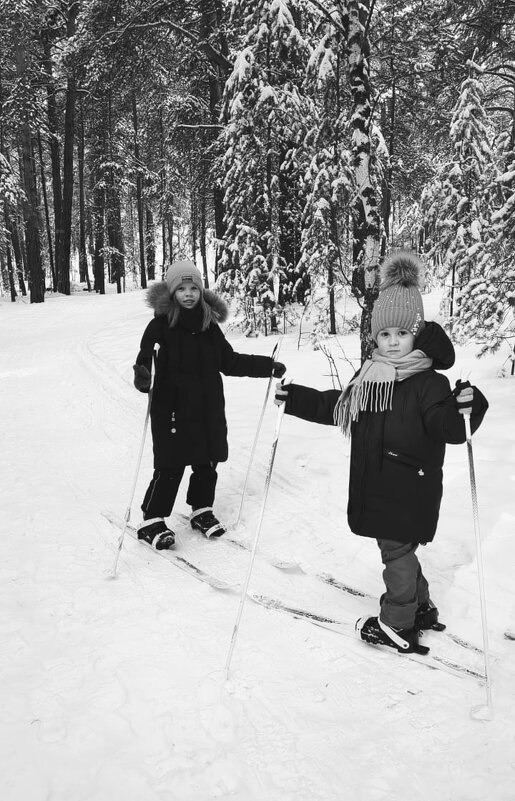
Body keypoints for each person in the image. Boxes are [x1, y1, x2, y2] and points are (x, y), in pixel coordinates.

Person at [275, 252, 488, 655]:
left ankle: (398, 623)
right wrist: (297, 398)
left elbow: (447, 427)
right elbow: (335, 406)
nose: (392, 342)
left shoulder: (429, 383)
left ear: (417, 335)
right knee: (398, 549)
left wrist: (469, 406)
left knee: (396, 553)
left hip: (409, 486)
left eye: (401, 334)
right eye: (384, 334)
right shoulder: (369, 375)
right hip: (377, 482)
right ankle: (420, 607)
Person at [133, 259, 286, 550]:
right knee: (171, 465)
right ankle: (151, 518)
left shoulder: (208, 326)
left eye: (194, 288)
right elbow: (145, 362)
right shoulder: (159, 327)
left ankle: (201, 509)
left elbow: (229, 362)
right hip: (172, 410)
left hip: (207, 407)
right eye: (182, 289)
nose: (188, 294)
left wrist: (267, 366)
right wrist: (142, 377)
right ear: (172, 292)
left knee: (207, 462)